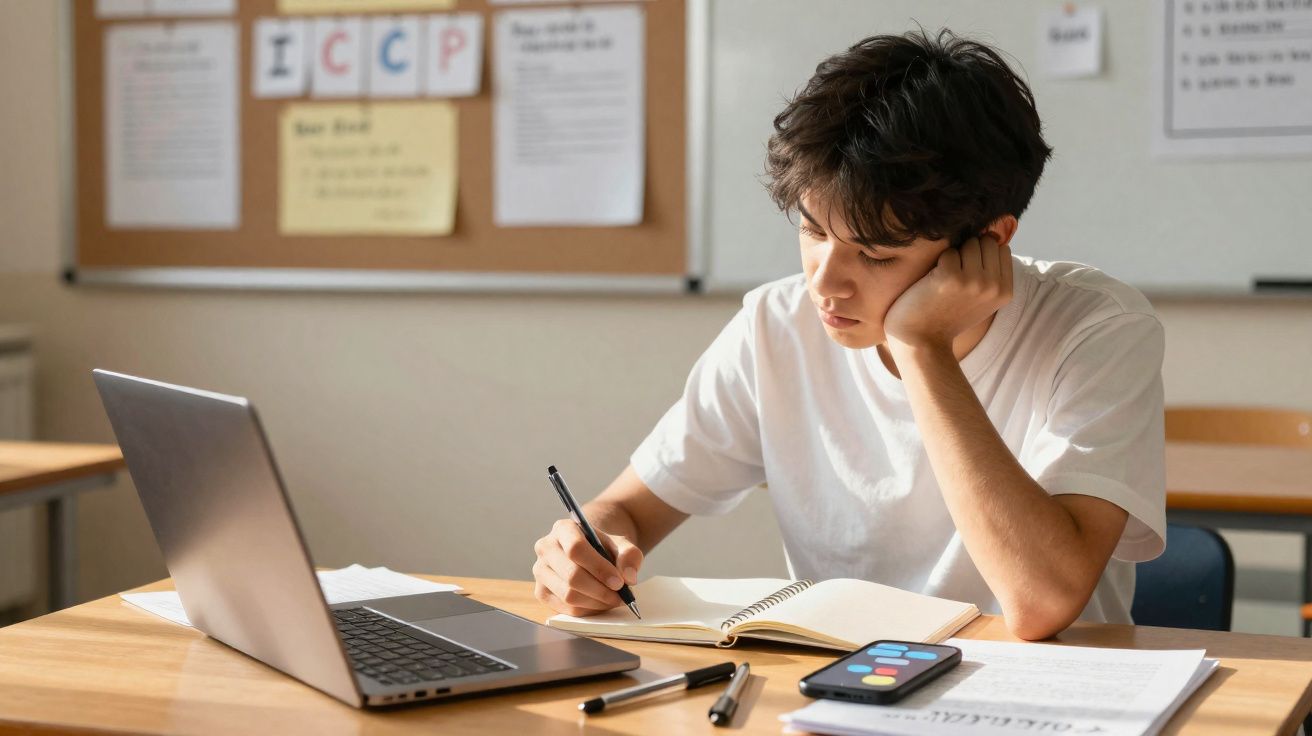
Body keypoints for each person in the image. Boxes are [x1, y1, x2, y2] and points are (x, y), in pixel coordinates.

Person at [531, 29, 1165, 641]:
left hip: (1041, 699)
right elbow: (630, 510)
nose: (825, 284)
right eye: (813, 232)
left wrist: (922, 347)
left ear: (990, 240)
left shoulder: (1097, 329)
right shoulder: (773, 327)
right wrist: (587, 549)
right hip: (841, 693)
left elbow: (1041, 603)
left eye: (877, 255)